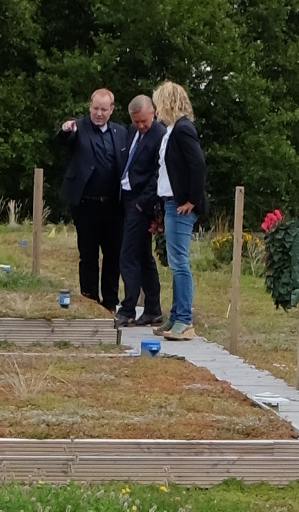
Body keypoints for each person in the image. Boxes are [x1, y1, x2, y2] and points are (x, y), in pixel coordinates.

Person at [54, 86, 128, 306]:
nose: (99, 113)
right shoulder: (79, 127)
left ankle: (110, 302)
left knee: (113, 256)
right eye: (95, 108)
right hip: (86, 204)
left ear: (112, 109)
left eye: (104, 109)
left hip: (114, 205)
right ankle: (89, 300)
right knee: (88, 255)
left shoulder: (121, 132)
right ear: (89, 106)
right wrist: (66, 130)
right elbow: (62, 140)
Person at [151, 78, 208, 338]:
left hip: (180, 204)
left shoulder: (183, 128)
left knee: (180, 262)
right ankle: (174, 316)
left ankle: (185, 319)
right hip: (169, 202)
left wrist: (192, 200)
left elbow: (197, 165)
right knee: (175, 262)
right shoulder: (172, 129)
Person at [116, 94, 164, 327]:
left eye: (144, 121)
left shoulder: (159, 134)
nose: (141, 126)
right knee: (143, 255)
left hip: (141, 200)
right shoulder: (132, 130)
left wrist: (143, 202)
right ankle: (153, 308)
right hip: (126, 195)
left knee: (127, 255)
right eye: (136, 122)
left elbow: (158, 173)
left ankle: (127, 309)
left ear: (153, 112)